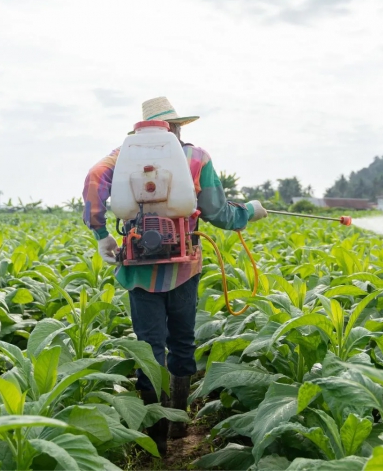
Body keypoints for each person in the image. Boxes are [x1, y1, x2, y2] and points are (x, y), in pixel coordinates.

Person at [82, 96, 268, 456]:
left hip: (138, 268)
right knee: (182, 343)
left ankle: (156, 442)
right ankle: (181, 427)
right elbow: (217, 212)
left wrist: (100, 233)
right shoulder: (196, 157)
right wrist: (249, 212)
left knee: (149, 351)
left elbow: (93, 179)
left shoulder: (121, 156)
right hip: (184, 266)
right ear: (177, 126)